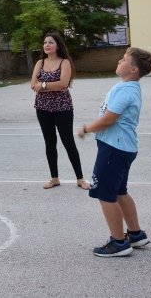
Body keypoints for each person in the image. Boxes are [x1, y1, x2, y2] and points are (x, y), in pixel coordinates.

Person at [76, 47, 151, 257]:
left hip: (114, 148)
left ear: (134, 69)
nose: (119, 61)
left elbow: (109, 118)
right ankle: (136, 234)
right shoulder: (129, 87)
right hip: (123, 148)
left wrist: (86, 128)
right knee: (120, 191)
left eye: (123, 60)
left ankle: (118, 242)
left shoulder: (126, 90)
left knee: (105, 193)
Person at [31, 32, 90, 190]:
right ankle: (54, 178)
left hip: (63, 108)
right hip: (42, 108)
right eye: (45, 42)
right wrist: (49, 85)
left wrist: (42, 85)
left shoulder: (64, 62)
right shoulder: (40, 63)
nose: (47, 45)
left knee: (68, 142)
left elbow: (63, 84)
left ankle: (80, 178)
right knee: (50, 142)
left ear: (58, 45)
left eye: (50, 42)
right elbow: (32, 85)